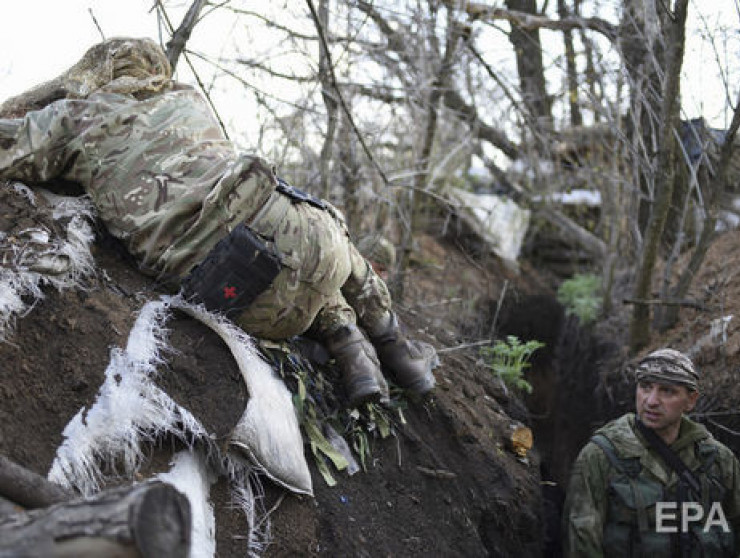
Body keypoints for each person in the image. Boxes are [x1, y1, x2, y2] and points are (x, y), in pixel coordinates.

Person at [0, 37, 437, 407]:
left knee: (255, 250)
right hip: (310, 241)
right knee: (298, 231)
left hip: (231, 294)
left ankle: (353, 346)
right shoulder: (187, 96)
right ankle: (380, 346)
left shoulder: (74, 118)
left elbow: (12, 149)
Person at [563, 348, 740, 557]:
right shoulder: (601, 456)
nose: (651, 401)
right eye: (645, 387)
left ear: (691, 400)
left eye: (667, 391)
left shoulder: (717, 459)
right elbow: (581, 540)